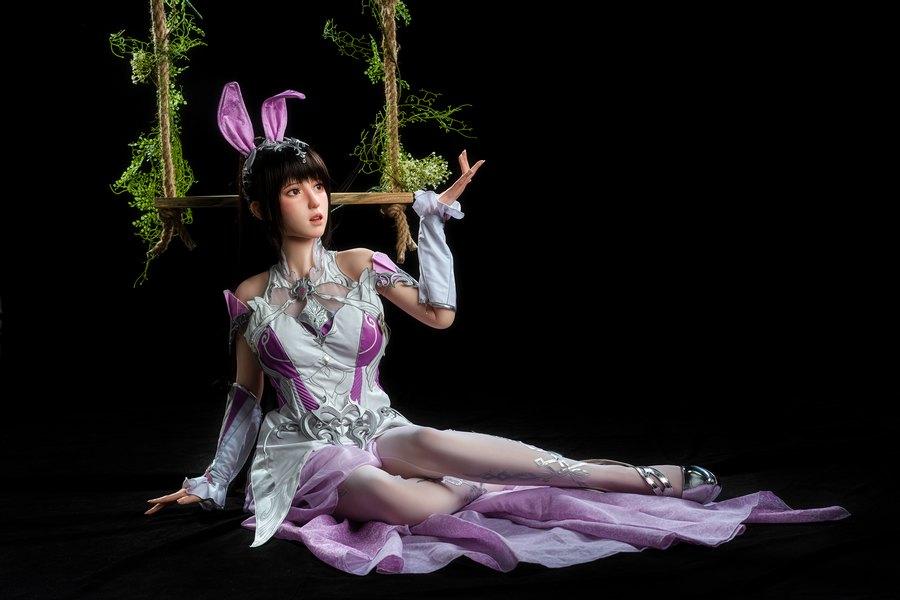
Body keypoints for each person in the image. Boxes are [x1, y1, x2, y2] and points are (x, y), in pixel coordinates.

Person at [144, 82, 850, 575]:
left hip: (377, 425)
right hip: (305, 455)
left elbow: (440, 315)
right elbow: (246, 399)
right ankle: (478, 489)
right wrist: (211, 482)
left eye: (319, 185)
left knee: (436, 444)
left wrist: (432, 225)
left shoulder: (362, 264)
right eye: (294, 190)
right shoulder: (250, 298)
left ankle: (634, 478)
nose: (314, 201)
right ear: (263, 209)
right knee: (383, 495)